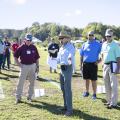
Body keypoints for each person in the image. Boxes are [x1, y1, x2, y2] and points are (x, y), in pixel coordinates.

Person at [14, 34, 40, 104]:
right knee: (20, 82)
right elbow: (15, 56)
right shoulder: (21, 47)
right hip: (24, 66)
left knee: (32, 82)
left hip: (32, 66)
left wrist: (37, 66)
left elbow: (37, 58)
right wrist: (19, 64)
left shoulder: (34, 47)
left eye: (30, 40)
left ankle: (30, 96)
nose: (29, 41)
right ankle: (18, 97)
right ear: (25, 40)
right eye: (28, 40)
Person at [101, 29, 120, 109]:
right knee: (106, 83)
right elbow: (102, 54)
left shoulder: (115, 45)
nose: (108, 37)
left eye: (110, 36)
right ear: (105, 36)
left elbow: (118, 58)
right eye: (107, 36)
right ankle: (109, 101)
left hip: (113, 64)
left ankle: (114, 103)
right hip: (105, 65)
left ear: (112, 36)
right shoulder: (104, 44)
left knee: (113, 84)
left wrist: (118, 68)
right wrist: (102, 63)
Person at [57, 32, 75, 116]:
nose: (60, 39)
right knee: (63, 88)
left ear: (67, 38)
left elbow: (71, 55)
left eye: (62, 38)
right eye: (60, 38)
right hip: (61, 69)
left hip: (67, 68)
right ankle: (65, 106)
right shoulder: (61, 48)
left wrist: (69, 59)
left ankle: (69, 110)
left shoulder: (70, 46)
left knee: (67, 89)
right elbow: (58, 59)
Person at [80, 31, 101, 100]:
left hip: (93, 64)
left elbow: (102, 53)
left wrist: (99, 61)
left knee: (93, 80)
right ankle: (87, 92)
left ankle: (94, 93)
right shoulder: (84, 44)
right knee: (86, 79)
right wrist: (81, 65)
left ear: (94, 36)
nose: (91, 36)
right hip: (85, 64)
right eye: (89, 35)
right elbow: (81, 55)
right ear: (87, 35)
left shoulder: (98, 44)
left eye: (92, 35)